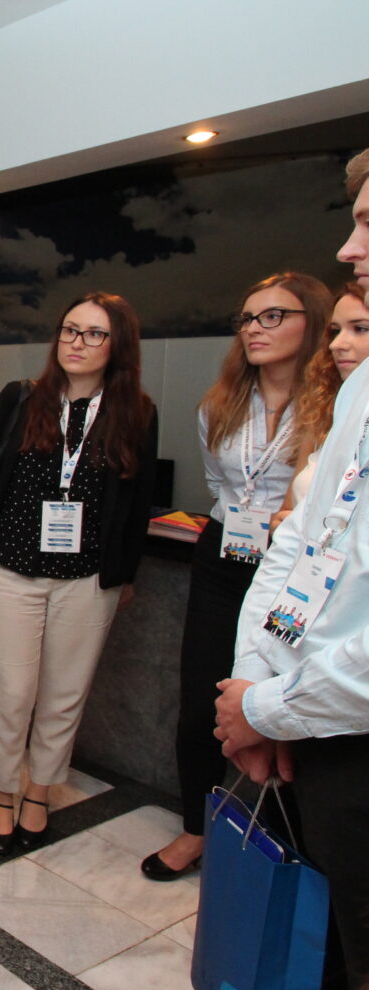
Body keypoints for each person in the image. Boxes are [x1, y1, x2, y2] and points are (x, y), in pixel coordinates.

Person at [214, 147, 369, 990]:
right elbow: (304, 547)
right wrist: (257, 684)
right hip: (316, 725)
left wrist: (267, 707)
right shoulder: (362, 396)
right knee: (322, 949)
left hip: (341, 718)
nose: (348, 248)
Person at [0, 293, 158, 854]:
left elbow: (138, 502)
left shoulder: (138, 413)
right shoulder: (22, 398)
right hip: (9, 569)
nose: (76, 342)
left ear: (118, 346)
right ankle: (1, 792)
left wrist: (124, 573)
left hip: (86, 579)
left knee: (65, 693)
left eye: (94, 334)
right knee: (12, 691)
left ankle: (39, 791)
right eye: (69, 330)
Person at [142, 271, 332, 881]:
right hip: (225, 556)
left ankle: (285, 844)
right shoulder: (219, 404)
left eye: (273, 316)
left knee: (287, 703)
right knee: (203, 698)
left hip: (299, 569)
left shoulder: (336, 407)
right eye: (248, 318)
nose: (255, 328)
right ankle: (196, 830)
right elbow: (221, 485)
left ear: (314, 323)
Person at [273, 283, 369, 529]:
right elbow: (288, 511)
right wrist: (285, 524)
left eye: (360, 328)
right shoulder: (323, 411)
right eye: (335, 331)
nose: (337, 344)